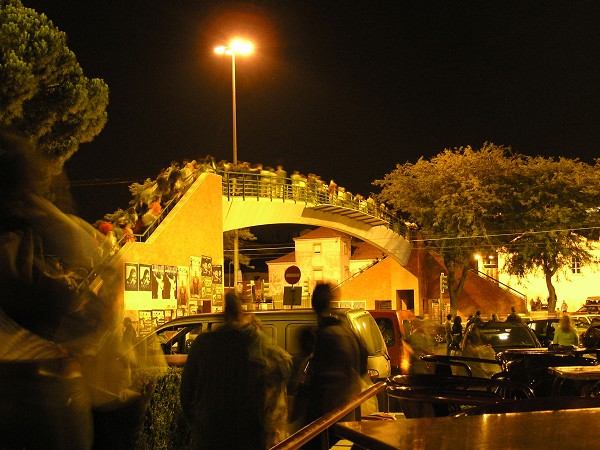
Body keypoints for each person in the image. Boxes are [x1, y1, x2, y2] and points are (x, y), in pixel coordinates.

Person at [180, 293, 292, 450]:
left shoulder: (203, 345)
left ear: (224, 315)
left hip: (209, 433)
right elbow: (284, 365)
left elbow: (186, 394)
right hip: (248, 434)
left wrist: (198, 421)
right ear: (240, 314)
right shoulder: (255, 342)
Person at [303, 283, 365, 449]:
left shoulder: (327, 335)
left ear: (313, 304)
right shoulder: (344, 330)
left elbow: (322, 381)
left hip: (330, 415)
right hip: (346, 409)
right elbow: (362, 363)